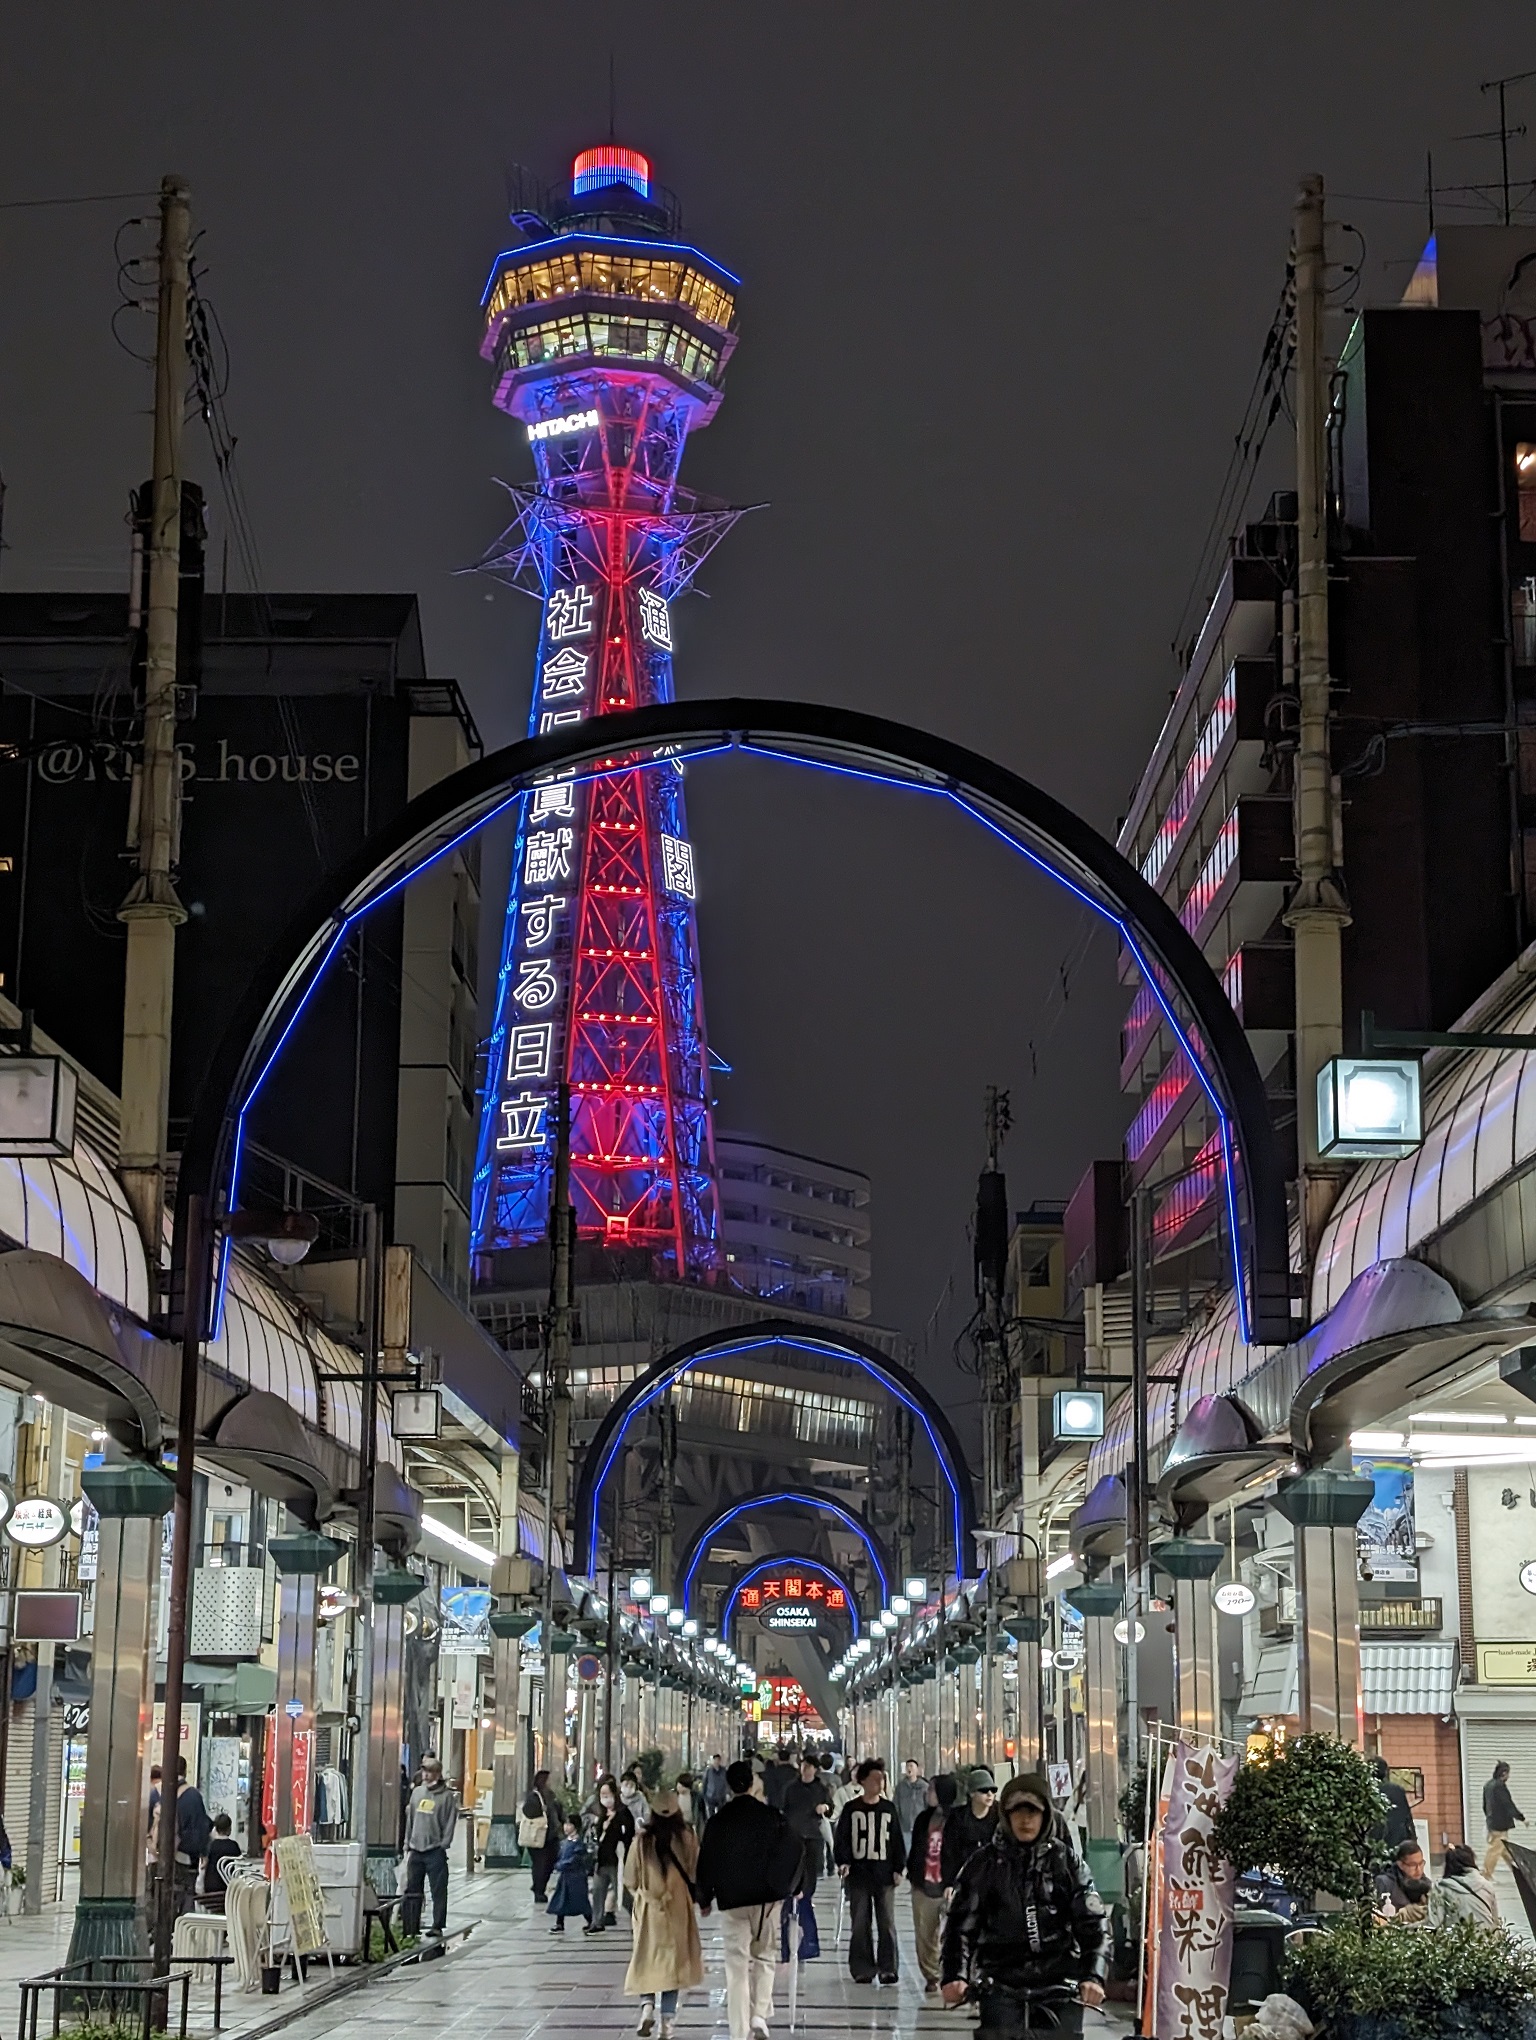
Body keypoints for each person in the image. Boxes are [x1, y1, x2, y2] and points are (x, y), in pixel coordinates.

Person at [941, 1772, 1108, 2038]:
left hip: (1059, 1983)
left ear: (1046, 1816)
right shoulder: (982, 1865)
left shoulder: (1067, 1864)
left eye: (1033, 1812)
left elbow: (1093, 1924)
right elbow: (960, 1926)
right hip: (1001, 1982)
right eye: (1017, 1812)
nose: (1025, 1819)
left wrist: (1093, 1976)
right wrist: (955, 1975)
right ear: (1005, 1815)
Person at [695, 1759, 803, 2040]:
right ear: (754, 1784)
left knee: (736, 1967)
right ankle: (759, 2014)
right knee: (765, 1956)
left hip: (733, 1902)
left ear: (730, 1787)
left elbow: (706, 1861)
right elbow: (795, 1849)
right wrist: (792, 1885)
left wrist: (704, 1898)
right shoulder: (772, 1817)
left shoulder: (718, 1822)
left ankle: (738, 2032)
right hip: (767, 1901)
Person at [624, 1792, 703, 2040]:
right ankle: (666, 2025)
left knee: (645, 1961)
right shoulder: (687, 1838)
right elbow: (695, 1871)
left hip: (649, 1911)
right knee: (674, 1966)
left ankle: (647, 2007)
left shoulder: (641, 1842)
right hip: (678, 1909)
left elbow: (630, 1879)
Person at [832, 1758, 905, 1985]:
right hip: (859, 1875)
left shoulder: (888, 1808)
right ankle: (862, 1968)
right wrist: (842, 1861)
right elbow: (841, 1838)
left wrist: (898, 1868)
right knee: (860, 1922)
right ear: (862, 1781)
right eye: (874, 1779)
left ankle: (888, 1968)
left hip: (884, 1875)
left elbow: (897, 1841)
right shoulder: (851, 1809)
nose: (879, 1782)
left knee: (887, 1922)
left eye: (881, 1778)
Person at [781, 1751, 835, 1959]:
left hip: (813, 1837)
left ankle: (806, 1897)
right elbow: (783, 1809)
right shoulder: (791, 1788)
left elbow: (830, 1810)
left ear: (815, 1770)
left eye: (809, 1767)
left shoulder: (820, 1789)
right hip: (794, 1838)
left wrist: (825, 1808)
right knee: (793, 1874)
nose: (806, 1770)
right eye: (803, 1766)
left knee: (810, 1875)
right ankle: (796, 1899)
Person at [907, 1773, 957, 1994]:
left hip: (948, 1886)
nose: (928, 1794)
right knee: (925, 1935)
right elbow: (917, 1848)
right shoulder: (923, 1819)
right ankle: (932, 1975)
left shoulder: (957, 1820)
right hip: (924, 1884)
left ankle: (952, 1974)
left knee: (953, 1935)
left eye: (932, 1790)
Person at [401, 1755, 458, 1938]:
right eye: (424, 1771)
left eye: (430, 1771)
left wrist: (444, 1844)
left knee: (438, 1889)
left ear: (438, 1774)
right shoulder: (417, 1792)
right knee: (412, 1889)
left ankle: (437, 1924)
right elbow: (410, 1818)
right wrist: (407, 1842)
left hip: (435, 1849)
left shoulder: (447, 1797)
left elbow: (450, 1820)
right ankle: (411, 1925)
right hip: (416, 1848)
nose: (426, 1775)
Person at [154, 1757, 213, 1917]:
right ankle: (181, 1931)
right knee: (185, 1895)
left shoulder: (157, 1793)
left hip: (157, 1855)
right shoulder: (193, 1796)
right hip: (185, 1857)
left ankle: (161, 1929)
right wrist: (203, 1853)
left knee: (161, 1895)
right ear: (185, 1771)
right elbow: (201, 1828)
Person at [585, 1774, 635, 1934]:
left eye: (608, 1795)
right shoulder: (602, 1814)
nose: (605, 1799)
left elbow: (628, 1834)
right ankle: (597, 1921)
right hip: (602, 1860)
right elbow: (598, 1836)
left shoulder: (623, 1813)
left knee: (623, 1892)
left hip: (617, 1859)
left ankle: (639, 1916)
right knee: (598, 1891)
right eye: (602, 1795)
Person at [942, 1766, 1000, 1890]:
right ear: (972, 1793)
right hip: (966, 1880)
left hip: (995, 1879)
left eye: (993, 1790)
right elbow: (949, 1853)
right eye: (984, 1790)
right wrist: (949, 1883)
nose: (990, 1794)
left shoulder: (1001, 1816)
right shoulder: (958, 1818)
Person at [1427, 1843, 1500, 1929]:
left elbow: (1433, 1924)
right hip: (1488, 1940)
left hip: (1459, 1941)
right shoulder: (1487, 1886)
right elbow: (1495, 1923)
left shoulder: (1441, 1889)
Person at [522, 1768, 563, 1906]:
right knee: (540, 1864)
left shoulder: (551, 1795)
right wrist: (542, 1810)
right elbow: (528, 1811)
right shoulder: (534, 1796)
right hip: (538, 1837)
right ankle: (539, 1890)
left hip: (551, 1836)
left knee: (549, 1863)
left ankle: (539, 1886)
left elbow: (558, 1811)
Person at [547, 1815, 593, 1933]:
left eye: (569, 1825)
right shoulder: (564, 1842)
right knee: (561, 1898)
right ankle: (559, 1923)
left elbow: (576, 1858)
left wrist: (563, 1865)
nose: (566, 1827)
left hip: (576, 1876)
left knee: (580, 1899)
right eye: (565, 1824)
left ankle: (591, 1920)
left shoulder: (579, 1843)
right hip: (565, 1876)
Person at [1483, 1760, 1526, 1876]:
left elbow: (1484, 1805)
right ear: (1504, 1773)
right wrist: (1521, 1818)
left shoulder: (1488, 1785)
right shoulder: (1500, 1787)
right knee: (1495, 1850)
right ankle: (1486, 1875)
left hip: (1492, 1823)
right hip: (1500, 1825)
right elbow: (1508, 1804)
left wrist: (1489, 1819)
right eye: (1508, 1773)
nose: (1508, 1776)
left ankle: (1519, 1871)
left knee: (1505, 1850)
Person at [1375, 1839, 1432, 1919]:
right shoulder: (1385, 1883)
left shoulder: (1427, 1885)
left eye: (1421, 1863)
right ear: (1400, 1865)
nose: (1418, 1869)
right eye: (1413, 1865)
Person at [1370, 1756, 1417, 1851]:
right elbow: (1407, 1818)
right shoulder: (1397, 1790)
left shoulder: (1366, 1790)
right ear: (1386, 1772)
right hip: (1399, 1842)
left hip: (1374, 1844)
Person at [199, 1813, 241, 1914]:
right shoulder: (233, 1846)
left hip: (210, 1888)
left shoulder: (210, 1846)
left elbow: (203, 1866)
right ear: (229, 1829)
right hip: (228, 1888)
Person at [894, 1758, 928, 1852]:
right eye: (907, 1766)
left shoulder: (924, 1787)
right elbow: (896, 1805)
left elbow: (928, 1805)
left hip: (920, 1825)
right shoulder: (900, 1787)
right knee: (907, 1850)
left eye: (911, 1766)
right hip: (905, 1826)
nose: (909, 1768)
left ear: (917, 1769)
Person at [761, 1746, 794, 1810]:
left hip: (775, 1806)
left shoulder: (772, 1773)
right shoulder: (796, 1773)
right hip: (792, 1807)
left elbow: (767, 1789)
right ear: (789, 1758)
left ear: (778, 1759)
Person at [701, 1753, 730, 1823]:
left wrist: (727, 1792)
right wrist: (703, 1794)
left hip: (721, 1795)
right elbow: (705, 1782)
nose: (716, 1762)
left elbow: (727, 1782)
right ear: (713, 1761)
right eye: (715, 1760)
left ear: (720, 1761)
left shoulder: (724, 1771)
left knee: (721, 1813)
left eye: (718, 1760)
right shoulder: (708, 1771)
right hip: (710, 1795)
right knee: (711, 1814)